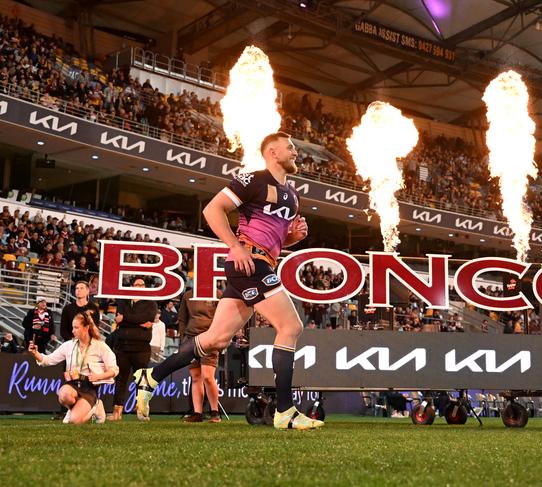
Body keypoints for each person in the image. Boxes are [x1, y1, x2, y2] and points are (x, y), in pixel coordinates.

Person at [134, 132, 323, 430]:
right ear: (272, 152)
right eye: (290, 148)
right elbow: (213, 209)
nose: (296, 153)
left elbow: (274, 239)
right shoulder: (254, 180)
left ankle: (151, 375)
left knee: (215, 339)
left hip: (259, 262)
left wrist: (293, 238)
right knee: (291, 326)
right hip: (249, 262)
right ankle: (285, 411)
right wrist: (234, 246)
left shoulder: (292, 195)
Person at [27, 312, 118, 424]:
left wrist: (98, 376)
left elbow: (114, 369)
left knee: (75, 421)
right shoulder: (68, 345)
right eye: (72, 327)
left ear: (86, 328)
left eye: (76, 327)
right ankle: (72, 409)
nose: (73, 331)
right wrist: (36, 353)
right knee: (64, 395)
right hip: (72, 384)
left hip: (89, 388)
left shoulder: (100, 346)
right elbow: (48, 360)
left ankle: (96, 407)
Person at [108, 277, 157, 421]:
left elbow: (148, 320)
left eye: (142, 285)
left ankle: (141, 411)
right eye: (136, 284)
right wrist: (139, 322)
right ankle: (117, 412)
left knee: (142, 380)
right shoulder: (123, 301)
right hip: (122, 346)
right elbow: (119, 320)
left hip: (141, 347)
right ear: (132, 286)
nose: (139, 287)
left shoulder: (151, 303)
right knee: (120, 380)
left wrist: (126, 319)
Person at [176, 287, 220, 423]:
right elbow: (182, 319)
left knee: (207, 376)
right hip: (191, 338)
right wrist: (183, 339)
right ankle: (197, 413)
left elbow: (222, 318)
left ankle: (215, 412)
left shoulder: (217, 294)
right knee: (196, 377)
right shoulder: (188, 295)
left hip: (210, 338)